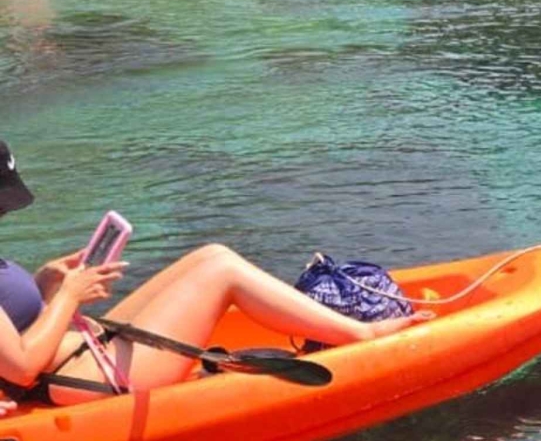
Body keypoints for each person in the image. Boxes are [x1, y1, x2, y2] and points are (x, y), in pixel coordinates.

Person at [0, 140, 427, 412]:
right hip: (80, 378)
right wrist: (69, 297)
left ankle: (344, 327)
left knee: (210, 255)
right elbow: (19, 367)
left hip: (80, 351)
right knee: (221, 271)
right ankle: (363, 335)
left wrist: (43, 285)